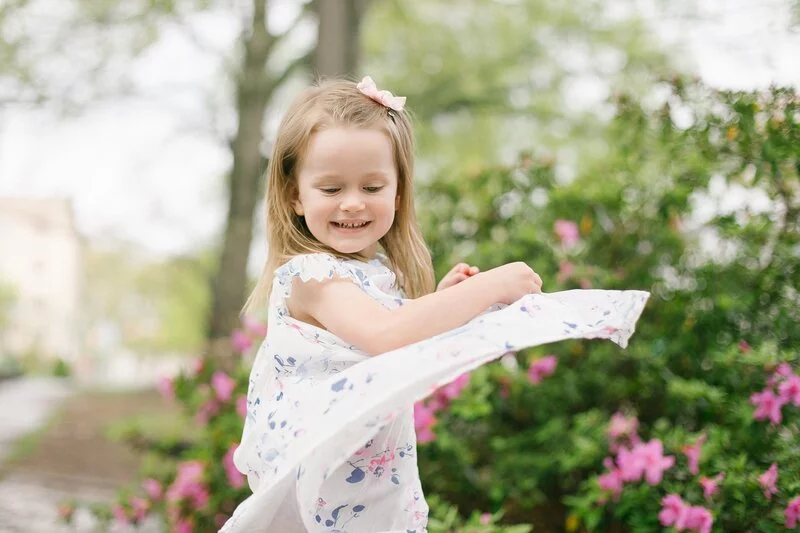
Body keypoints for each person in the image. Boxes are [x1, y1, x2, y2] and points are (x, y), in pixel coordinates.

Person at [220, 76, 649, 533]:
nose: (352, 203)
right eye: (330, 189)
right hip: (325, 499)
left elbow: (394, 331)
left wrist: (442, 303)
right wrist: (491, 286)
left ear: (399, 192)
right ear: (295, 196)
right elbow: (384, 335)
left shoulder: (375, 273)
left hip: (371, 494)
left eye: (372, 187)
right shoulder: (311, 277)